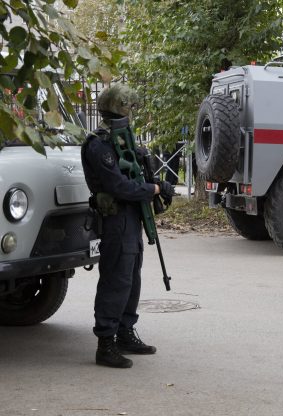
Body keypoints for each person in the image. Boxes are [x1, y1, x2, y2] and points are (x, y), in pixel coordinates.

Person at [81, 84, 175, 368]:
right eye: (130, 107)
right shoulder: (99, 144)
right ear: (119, 107)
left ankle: (125, 332)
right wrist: (154, 189)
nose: (132, 113)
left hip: (131, 217)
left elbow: (134, 172)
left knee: (131, 278)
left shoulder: (122, 139)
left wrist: (152, 182)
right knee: (116, 280)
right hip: (116, 219)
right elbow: (118, 186)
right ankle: (105, 343)